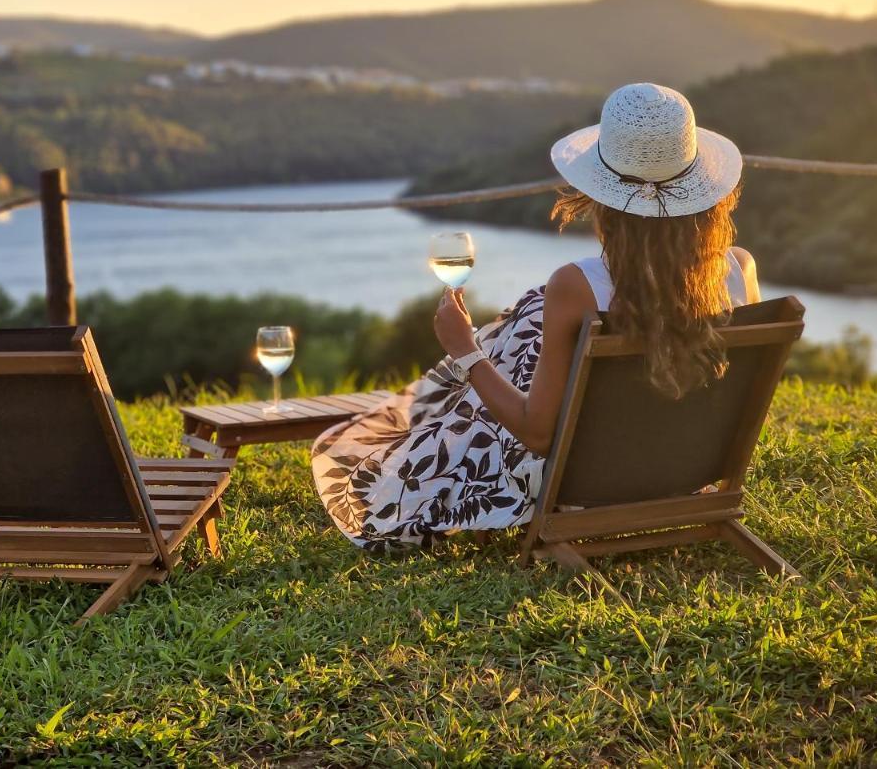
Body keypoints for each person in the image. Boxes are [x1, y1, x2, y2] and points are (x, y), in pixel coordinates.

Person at [312, 82, 760, 550]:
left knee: (524, 323)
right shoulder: (739, 269)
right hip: (691, 472)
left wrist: (465, 349)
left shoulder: (578, 286)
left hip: (590, 485)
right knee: (529, 319)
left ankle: (427, 441)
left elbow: (539, 434)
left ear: (603, 196)